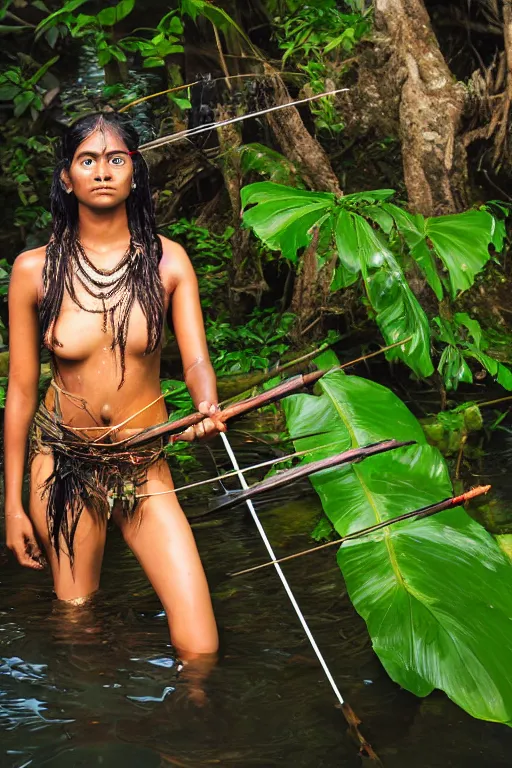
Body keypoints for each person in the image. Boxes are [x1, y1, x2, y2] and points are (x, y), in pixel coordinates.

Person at [4, 112, 226, 665]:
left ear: (134, 173)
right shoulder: (34, 272)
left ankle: (193, 741)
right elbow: (22, 392)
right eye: (87, 160)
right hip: (63, 467)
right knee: (79, 629)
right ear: (66, 177)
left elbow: (196, 359)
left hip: (144, 464)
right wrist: (11, 505)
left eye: (116, 159)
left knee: (200, 647)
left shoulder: (167, 262)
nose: (102, 171)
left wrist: (206, 402)